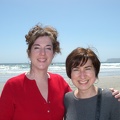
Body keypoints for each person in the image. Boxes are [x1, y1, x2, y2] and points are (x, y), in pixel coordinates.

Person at [0, 24, 119, 120]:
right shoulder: (13, 86)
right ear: (29, 52)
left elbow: (81, 95)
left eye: (48, 48)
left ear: (54, 53)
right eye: (37, 47)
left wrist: (108, 94)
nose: (42, 53)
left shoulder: (59, 82)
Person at [64, 47, 120, 120]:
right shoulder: (67, 98)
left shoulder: (111, 98)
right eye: (76, 69)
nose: (82, 75)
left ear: (96, 71)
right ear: (70, 73)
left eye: (87, 68)